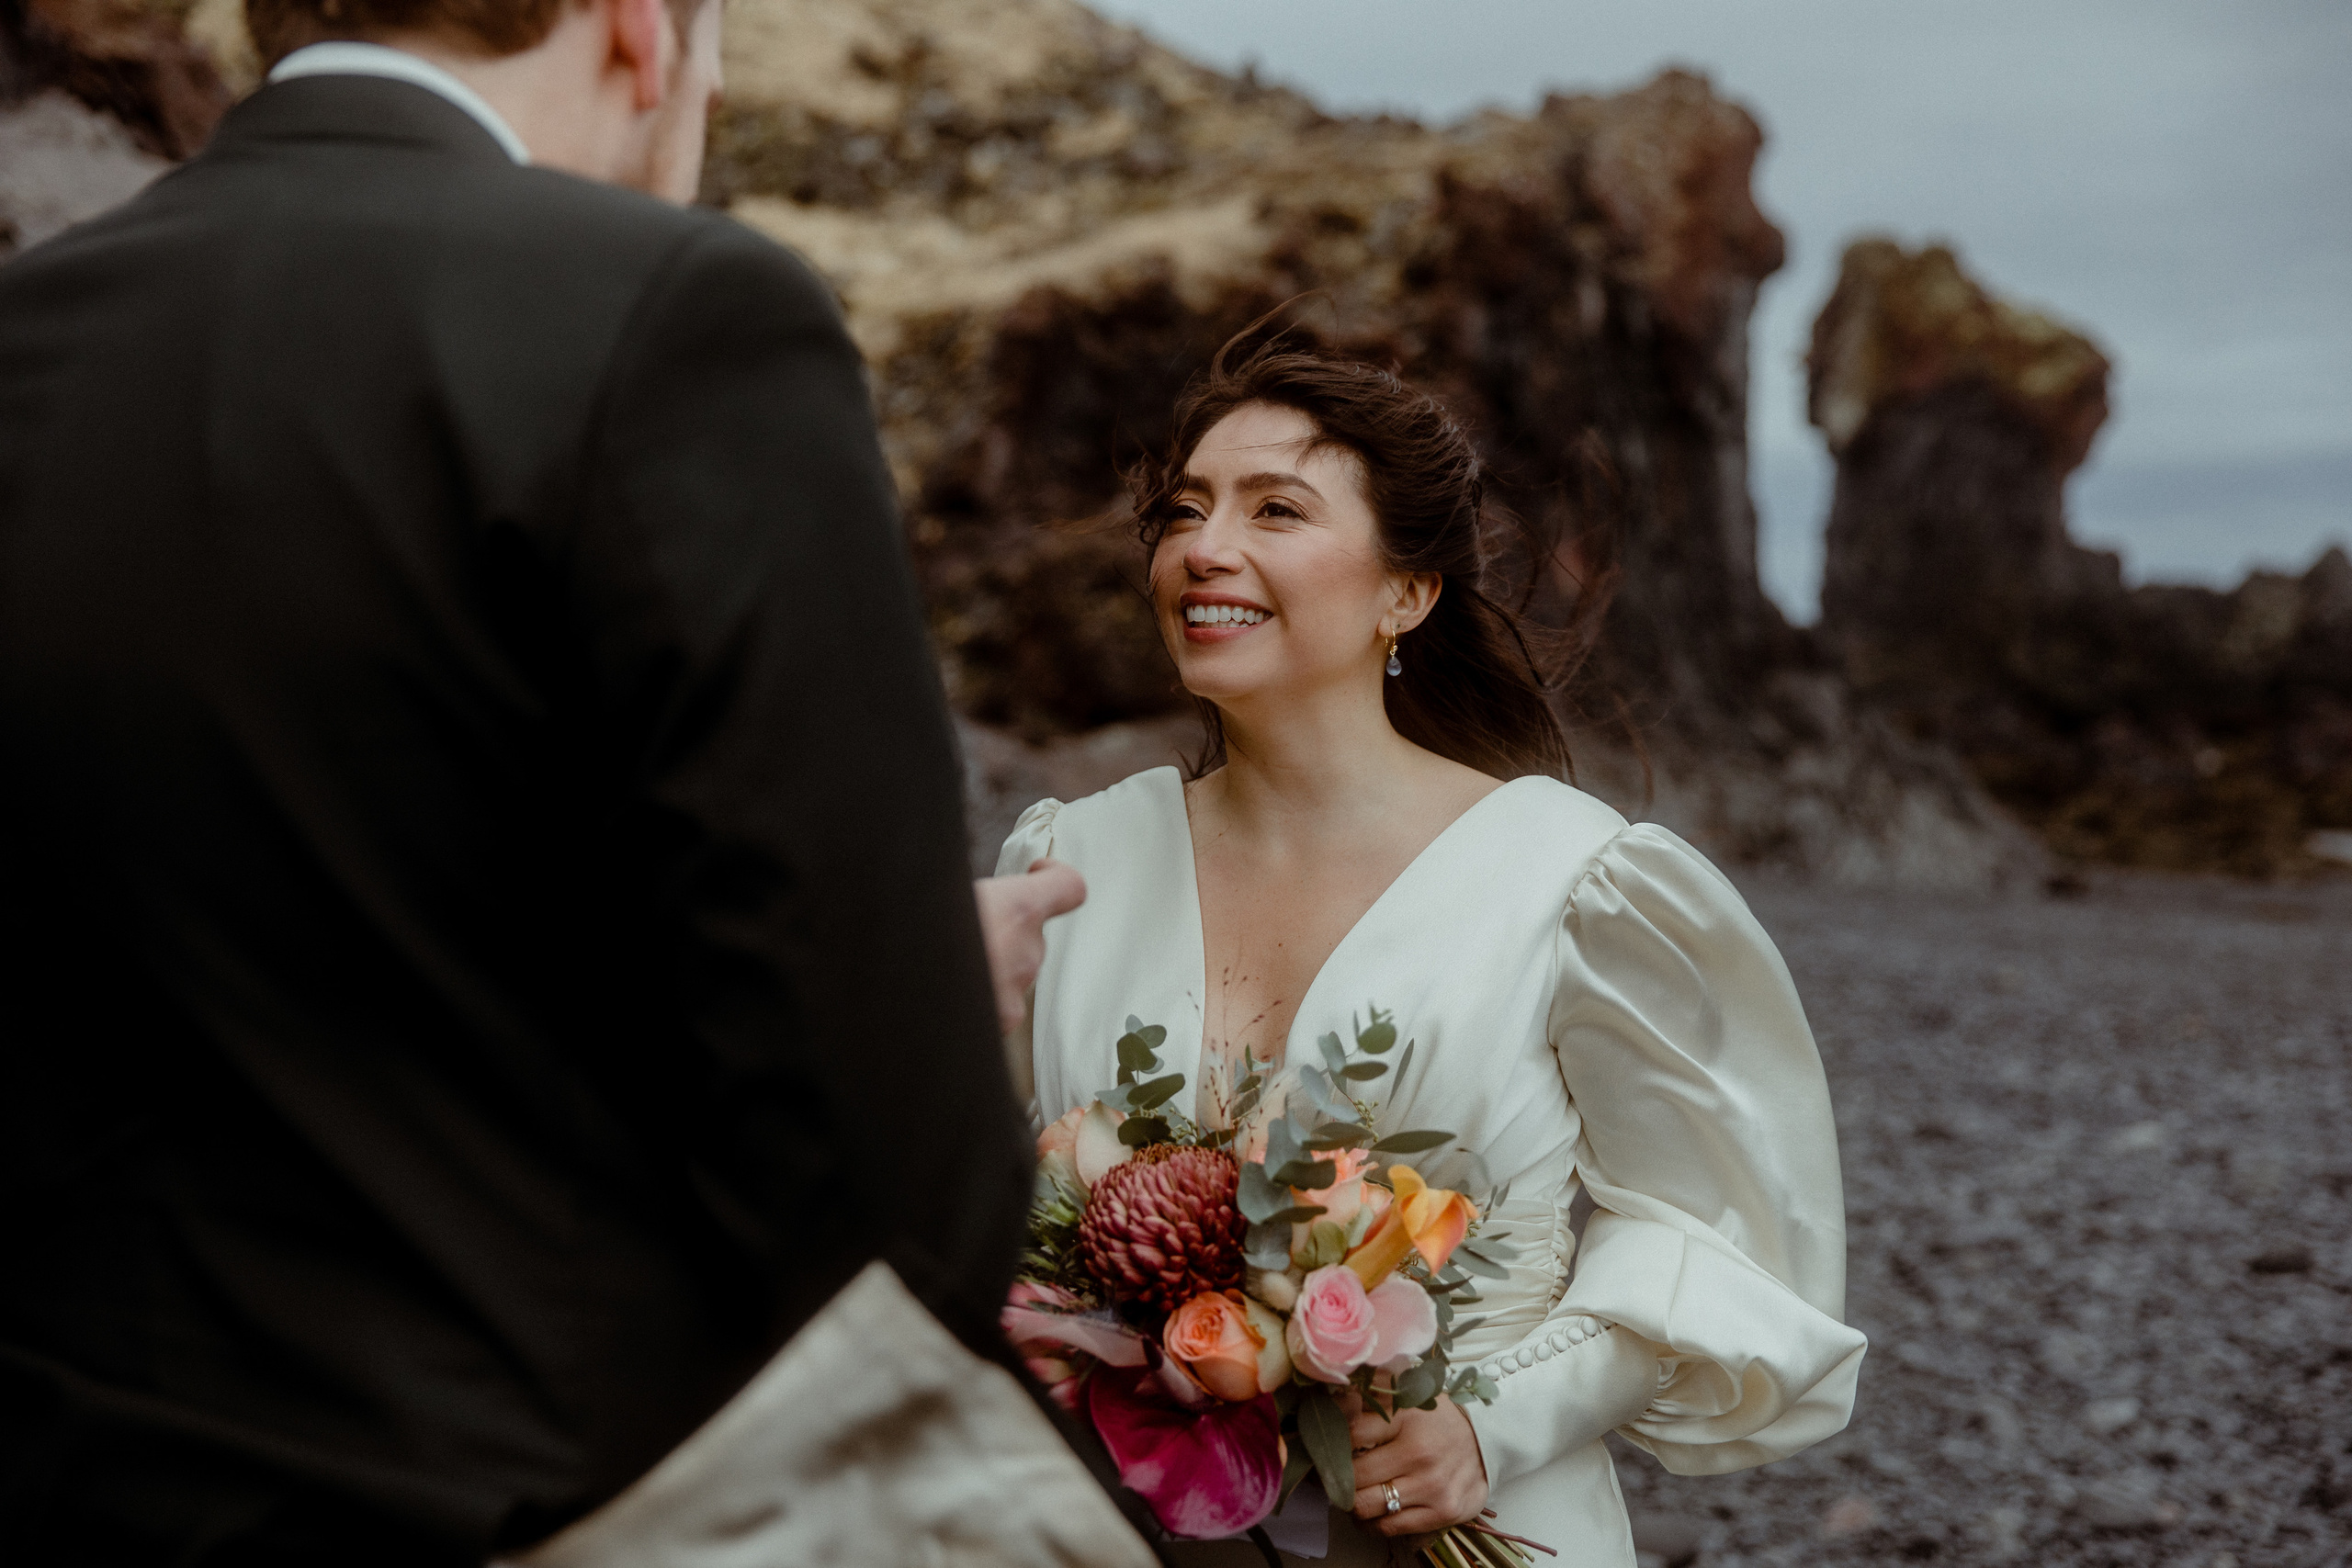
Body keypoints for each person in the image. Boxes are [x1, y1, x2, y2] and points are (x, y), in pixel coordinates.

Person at [0, 0, 1148, 1561]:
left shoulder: (33, 327)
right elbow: (900, 1193)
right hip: (525, 1505)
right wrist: (916, 981)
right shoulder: (676, 315)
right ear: (638, 31)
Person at [1000, 333, 1869, 1566]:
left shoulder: (1576, 881)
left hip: (1477, 1528)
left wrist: (1493, 1423)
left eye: (1275, 509)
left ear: (1405, 595)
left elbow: (1713, 1233)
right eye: (1184, 511)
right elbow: (977, 1204)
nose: (1203, 547)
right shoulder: (1066, 866)